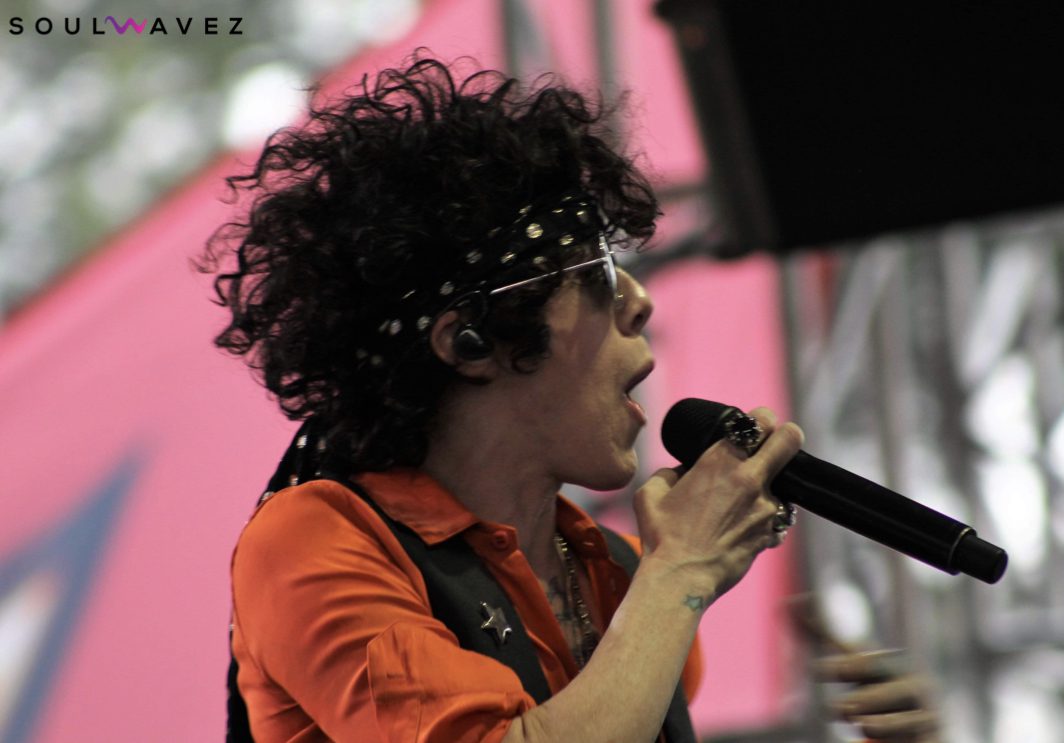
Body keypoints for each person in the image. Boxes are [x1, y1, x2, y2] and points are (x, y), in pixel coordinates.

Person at [203, 54, 939, 743]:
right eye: (596, 276)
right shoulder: (313, 542)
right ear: (470, 341)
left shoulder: (615, 573)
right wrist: (682, 568)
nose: (640, 301)